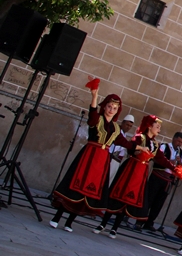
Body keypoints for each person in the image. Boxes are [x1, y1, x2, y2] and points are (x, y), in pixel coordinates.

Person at [50, 87, 137, 232]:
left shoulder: (116, 128)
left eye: (114, 108)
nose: (111, 109)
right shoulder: (98, 119)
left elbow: (127, 144)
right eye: (109, 106)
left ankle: (69, 222)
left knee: (87, 191)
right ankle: (57, 217)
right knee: (76, 185)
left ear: (117, 111)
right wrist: (94, 97)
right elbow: (92, 117)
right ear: (105, 106)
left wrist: (140, 148)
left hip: (102, 161)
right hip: (89, 156)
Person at [95, 115, 166, 237]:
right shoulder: (140, 137)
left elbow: (162, 159)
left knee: (127, 199)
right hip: (130, 168)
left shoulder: (155, 144)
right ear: (149, 126)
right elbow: (131, 149)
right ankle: (103, 224)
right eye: (157, 127)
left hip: (141, 172)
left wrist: (175, 169)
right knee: (117, 195)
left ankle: (115, 228)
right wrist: (139, 152)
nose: (159, 130)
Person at [142, 131, 182, 232]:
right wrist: (168, 162)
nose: (179, 144)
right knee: (149, 198)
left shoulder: (181, 153)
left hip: (168, 180)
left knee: (159, 202)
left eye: (181, 142)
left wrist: (179, 162)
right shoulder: (163, 147)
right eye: (178, 141)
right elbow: (154, 158)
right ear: (174, 139)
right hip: (157, 176)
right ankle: (140, 220)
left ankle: (150, 222)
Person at [108, 114, 135, 181]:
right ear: (122, 123)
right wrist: (127, 144)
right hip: (111, 158)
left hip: (117, 161)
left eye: (130, 126)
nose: (128, 127)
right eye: (127, 125)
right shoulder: (117, 131)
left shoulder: (124, 134)